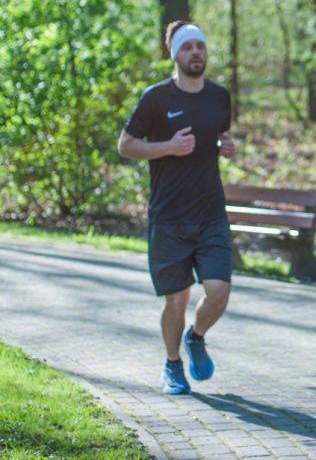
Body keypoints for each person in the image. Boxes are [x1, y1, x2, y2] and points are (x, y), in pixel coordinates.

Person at [117, 21, 236, 395]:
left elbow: (218, 137)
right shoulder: (156, 98)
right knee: (177, 298)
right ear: (175, 54)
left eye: (200, 46)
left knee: (218, 290)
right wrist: (167, 147)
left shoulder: (219, 97)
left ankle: (196, 336)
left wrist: (225, 148)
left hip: (210, 213)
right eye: (187, 47)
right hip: (169, 216)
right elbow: (126, 145)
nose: (196, 52)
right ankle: (172, 365)